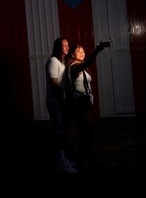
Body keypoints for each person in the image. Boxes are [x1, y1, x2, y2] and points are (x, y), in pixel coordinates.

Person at [66, 40, 110, 169]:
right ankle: (82, 160)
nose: (82, 53)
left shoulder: (82, 66)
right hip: (79, 104)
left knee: (88, 132)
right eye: (78, 51)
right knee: (86, 132)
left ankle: (85, 158)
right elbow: (87, 63)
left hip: (85, 103)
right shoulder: (74, 67)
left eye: (83, 51)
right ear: (72, 54)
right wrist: (97, 51)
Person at [45, 36, 78, 175]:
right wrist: (62, 99)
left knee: (63, 131)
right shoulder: (53, 61)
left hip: (61, 102)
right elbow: (54, 84)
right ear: (57, 47)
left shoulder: (63, 63)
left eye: (67, 45)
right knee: (59, 132)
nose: (67, 47)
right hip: (55, 102)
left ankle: (63, 159)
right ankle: (62, 162)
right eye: (64, 45)